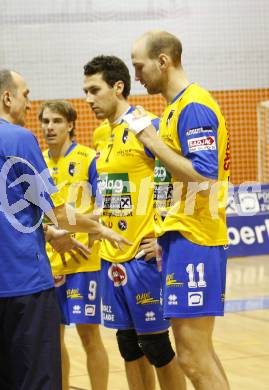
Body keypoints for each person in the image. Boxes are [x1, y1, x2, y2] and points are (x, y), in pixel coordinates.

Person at [0, 69, 130, 390]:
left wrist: (46, 233)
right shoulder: (18, 138)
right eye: (25, 95)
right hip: (23, 285)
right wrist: (99, 228)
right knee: (38, 381)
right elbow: (59, 213)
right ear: (7, 97)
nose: (29, 105)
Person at [127, 31, 230, 389]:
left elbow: (204, 175)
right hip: (180, 238)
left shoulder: (193, 107)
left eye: (139, 66)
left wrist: (152, 142)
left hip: (196, 239)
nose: (136, 75)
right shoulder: (173, 110)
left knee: (191, 356)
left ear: (163, 61)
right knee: (199, 354)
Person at [83, 55, 186, 390]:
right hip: (112, 257)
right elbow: (115, 193)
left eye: (94, 90)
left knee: (156, 347)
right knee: (128, 346)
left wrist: (164, 236)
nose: (88, 99)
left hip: (144, 260)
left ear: (118, 86)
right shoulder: (100, 135)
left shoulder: (147, 125)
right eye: (85, 91)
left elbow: (182, 180)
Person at [38, 100, 109, 390]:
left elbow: (105, 206)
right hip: (48, 260)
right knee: (53, 339)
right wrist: (51, 230)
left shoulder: (89, 158)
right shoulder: (37, 161)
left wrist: (74, 226)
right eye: (45, 121)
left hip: (84, 261)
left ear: (70, 124)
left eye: (56, 121)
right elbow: (33, 210)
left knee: (89, 335)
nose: (49, 127)